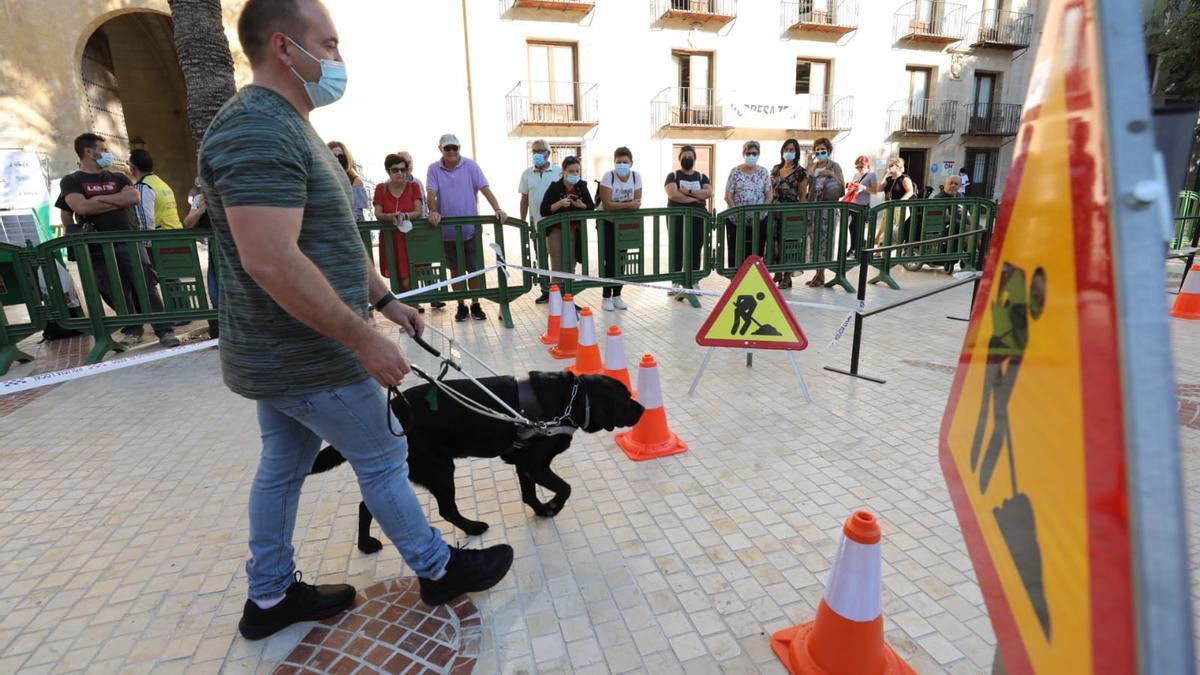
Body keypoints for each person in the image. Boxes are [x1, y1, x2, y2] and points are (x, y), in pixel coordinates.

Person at [199, 0, 512, 641]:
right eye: (331, 44)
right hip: (306, 352)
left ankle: (269, 596)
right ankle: (436, 568)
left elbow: (329, 241)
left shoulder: (291, 125)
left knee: (283, 467)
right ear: (286, 49)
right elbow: (270, 259)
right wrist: (361, 338)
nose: (340, 60)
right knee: (383, 456)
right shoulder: (256, 129)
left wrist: (385, 301)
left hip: (293, 351)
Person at [56, 133, 180, 348]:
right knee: (114, 289)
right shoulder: (72, 181)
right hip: (97, 248)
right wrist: (115, 201)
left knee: (146, 284)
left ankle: (164, 330)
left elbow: (133, 198)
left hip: (129, 241)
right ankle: (133, 328)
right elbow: (79, 208)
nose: (107, 154)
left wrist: (96, 200)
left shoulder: (119, 177)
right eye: (103, 150)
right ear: (88, 152)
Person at [426, 133, 507, 322]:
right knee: (455, 271)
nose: (452, 151)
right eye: (448, 148)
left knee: (474, 269)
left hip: (470, 230)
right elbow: (431, 192)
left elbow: (485, 189)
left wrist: (498, 208)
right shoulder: (433, 169)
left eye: (455, 147)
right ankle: (461, 304)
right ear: (441, 149)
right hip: (447, 233)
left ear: (459, 148)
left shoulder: (471, 165)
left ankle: (475, 303)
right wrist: (433, 210)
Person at [373, 152, 423, 309]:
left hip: (410, 239)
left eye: (403, 169)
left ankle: (411, 310)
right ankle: (408, 311)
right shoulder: (381, 189)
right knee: (396, 278)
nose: (400, 173)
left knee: (408, 279)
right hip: (390, 239)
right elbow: (378, 213)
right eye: (395, 170)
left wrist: (404, 215)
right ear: (388, 171)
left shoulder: (413, 187)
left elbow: (418, 211)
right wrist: (391, 217)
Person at [664, 145, 713, 300]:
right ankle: (676, 282)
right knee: (677, 247)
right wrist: (696, 200)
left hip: (698, 219)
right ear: (679, 159)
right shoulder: (672, 176)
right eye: (684, 156)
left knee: (696, 247)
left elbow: (708, 192)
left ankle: (694, 282)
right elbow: (674, 195)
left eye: (690, 156)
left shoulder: (701, 177)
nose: (687, 159)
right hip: (676, 219)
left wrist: (688, 192)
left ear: (695, 158)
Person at [597, 147, 641, 311]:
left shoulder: (636, 177)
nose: (622, 165)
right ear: (614, 162)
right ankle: (606, 297)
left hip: (624, 223)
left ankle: (617, 295)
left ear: (631, 163)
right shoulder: (609, 176)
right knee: (609, 259)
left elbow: (638, 202)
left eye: (625, 162)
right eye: (618, 162)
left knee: (622, 258)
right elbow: (607, 204)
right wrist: (628, 205)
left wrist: (622, 206)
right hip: (606, 222)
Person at [518, 140, 561, 304]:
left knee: (557, 257)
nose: (537, 153)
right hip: (537, 224)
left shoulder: (558, 171)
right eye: (534, 150)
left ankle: (558, 290)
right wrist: (522, 222)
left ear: (548, 153)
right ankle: (545, 290)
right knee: (541, 256)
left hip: (555, 225)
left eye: (541, 150)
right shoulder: (527, 174)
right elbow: (524, 200)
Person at [539, 155, 594, 273]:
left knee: (570, 266)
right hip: (556, 231)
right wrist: (560, 203)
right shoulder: (555, 187)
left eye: (577, 171)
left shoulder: (581, 186)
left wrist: (581, 205)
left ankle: (568, 292)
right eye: (571, 171)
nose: (575, 174)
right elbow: (543, 210)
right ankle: (556, 291)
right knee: (557, 267)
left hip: (574, 231)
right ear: (564, 171)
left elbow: (591, 207)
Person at [724, 140, 773, 267]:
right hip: (737, 222)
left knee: (755, 254)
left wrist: (761, 213)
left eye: (754, 153)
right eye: (748, 153)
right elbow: (728, 196)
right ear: (743, 154)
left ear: (758, 154)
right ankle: (736, 282)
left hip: (759, 221)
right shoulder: (735, 172)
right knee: (736, 253)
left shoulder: (763, 172)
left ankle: (754, 281)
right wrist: (738, 214)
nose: (751, 156)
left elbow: (769, 196)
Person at [804, 137, 844, 288]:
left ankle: (821, 275)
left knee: (825, 242)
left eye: (823, 150)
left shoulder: (835, 166)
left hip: (828, 210)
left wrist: (831, 174)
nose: (820, 152)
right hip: (813, 210)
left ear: (828, 151)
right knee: (814, 241)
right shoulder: (813, 167)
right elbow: (805, 185)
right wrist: (808, 167)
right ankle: (818, 273)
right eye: (818, 150)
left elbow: (842, 189)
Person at [768, 138, 808, 288]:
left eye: (791, 150)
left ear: (796, 152)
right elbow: (770, 189)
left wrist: (802, 217)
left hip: (791, 212)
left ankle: (787, 276)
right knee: (774, 242)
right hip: (775, 210)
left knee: (789, 244)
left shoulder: (801, 172)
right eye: (786, 150)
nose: (788, 152)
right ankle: (777, 273)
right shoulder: (775, 169)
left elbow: (803, 195)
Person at [184, 177, 220, 339]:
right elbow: (188, 223)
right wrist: (200, 211)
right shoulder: (199, 198)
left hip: (237, 249)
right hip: (216, 252)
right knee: (215, 290)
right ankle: (219, 327)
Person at [129, 149, 183, 231]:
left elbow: (146, 221)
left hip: (162, 239)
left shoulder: (143, 186)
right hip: (177, 234)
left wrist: (145, 243)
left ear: (132, 168)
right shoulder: (162, 183)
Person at [843, 155, 879, 259]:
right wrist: (845, 195)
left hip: (863, 206)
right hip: (853, 204)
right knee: (852, 227)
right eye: (857, 167)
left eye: (861, 166)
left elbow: (875, 191)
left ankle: (857, 249)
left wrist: (863, 187)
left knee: (857, 228)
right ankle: (854, 248)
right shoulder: (856, 175)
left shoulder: (872, 175)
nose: (859, 169)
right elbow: (852, 190)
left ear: (867, 165)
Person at [327, 140, 369, 221]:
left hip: (349, 227)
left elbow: (357, 213)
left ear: (346, 158)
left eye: (341, 156)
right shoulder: (322, 180)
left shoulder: (355, 181)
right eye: (332, 156)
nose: (337, 160)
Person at [879, 157, 916, 245]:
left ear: (897, 166)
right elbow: (879, 188)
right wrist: (884, 175)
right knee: (885, 230)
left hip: (900, 209)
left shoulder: (904, 178)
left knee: (894, 232)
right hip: (888, 208)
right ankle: (881, 250)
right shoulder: (888, 179)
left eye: (891, 165)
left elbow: (910, 191)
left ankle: (884, 251)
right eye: (889, 165)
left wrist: (899, 203)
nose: (889, 167)